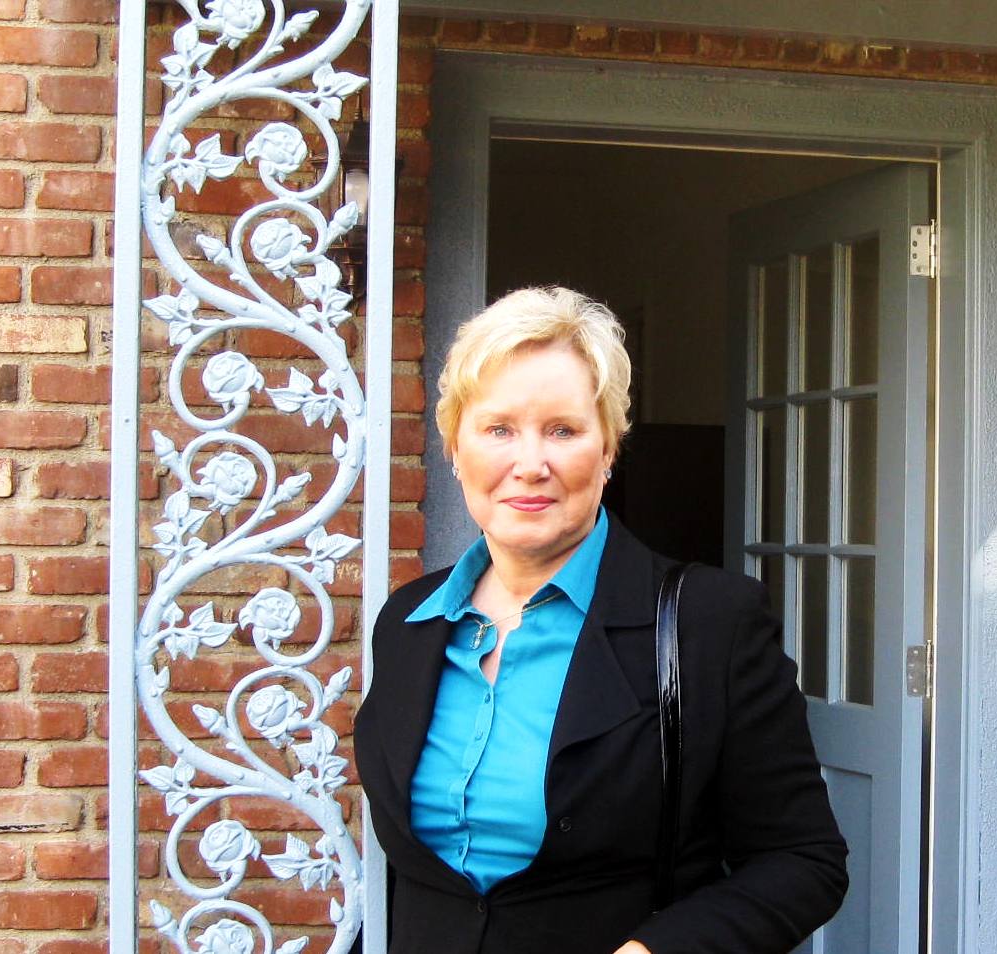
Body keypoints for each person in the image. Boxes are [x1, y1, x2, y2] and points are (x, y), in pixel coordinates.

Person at [353, 286, 848, 954]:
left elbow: (803, 860)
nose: (530, 464)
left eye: (562, 429)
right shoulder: (407, 622)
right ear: (454, 447)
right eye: (498, 429)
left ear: (609, 449)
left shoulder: (710, 624)